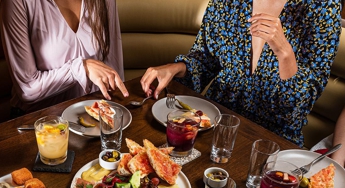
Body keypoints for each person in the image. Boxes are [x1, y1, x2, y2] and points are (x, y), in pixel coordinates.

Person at [140, 0, 342, 148]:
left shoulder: (323, 8)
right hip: (214, 128)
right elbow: (206, 59)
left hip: (272, 146)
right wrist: (175, 68)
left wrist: (284, 53)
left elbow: (296, 108)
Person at [0, 0, 128, 116]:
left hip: (90, 114)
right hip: (40, 122)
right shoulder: (17, 2)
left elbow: (113, 66)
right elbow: (27, 89)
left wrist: (117, 111)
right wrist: (80, 68)